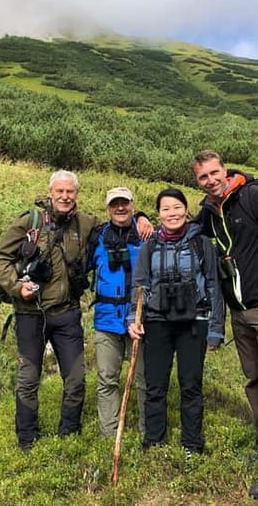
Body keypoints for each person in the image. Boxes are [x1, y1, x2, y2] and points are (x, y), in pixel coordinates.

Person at [0, 171, 152, 451]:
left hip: (67, 314)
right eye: (60, 191)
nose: (65, 197)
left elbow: (120, 218)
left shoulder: (86, 223)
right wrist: (17, 287)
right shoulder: (31, 222)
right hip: (31, 314)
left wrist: (142, 217)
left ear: (77, 194)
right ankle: (27, 439)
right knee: (28, 379)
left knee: (76, 378)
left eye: (70, 192)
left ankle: (69, 432)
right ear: (51, 193)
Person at [191, 150, 258, 500]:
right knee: (254, 378)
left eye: (214, 173)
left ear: (225, 170)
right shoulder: (211, 210)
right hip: (240, 311)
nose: (210, 180)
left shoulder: (253, 197)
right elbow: (186, 227)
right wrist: (147, 220)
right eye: (203, 177)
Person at [128, 187, 224, 458]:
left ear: (186, 209)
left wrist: (216, 329)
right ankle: (154, 441)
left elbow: (214, 285)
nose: (172, 213)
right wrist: (132, 319)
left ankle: (192, 443)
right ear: (158, 214)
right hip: (157, 321)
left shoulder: (201, 242)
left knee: (190, 384)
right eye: (166, 209)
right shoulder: (150, 246)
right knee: (155, 384)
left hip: (194, 321)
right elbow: (140, 285)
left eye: (177, 207)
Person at [85, 187, 147, 437]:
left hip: (140, 319)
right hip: (106, 318)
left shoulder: (146, 234)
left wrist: (143, 217)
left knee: (144, 379)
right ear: (107, 208)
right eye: (115, 204)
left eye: (125, 203)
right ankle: (109, 434)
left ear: (133, 205)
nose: (120, 208)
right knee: (107, 378)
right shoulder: (97, 237)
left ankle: (148, 432)